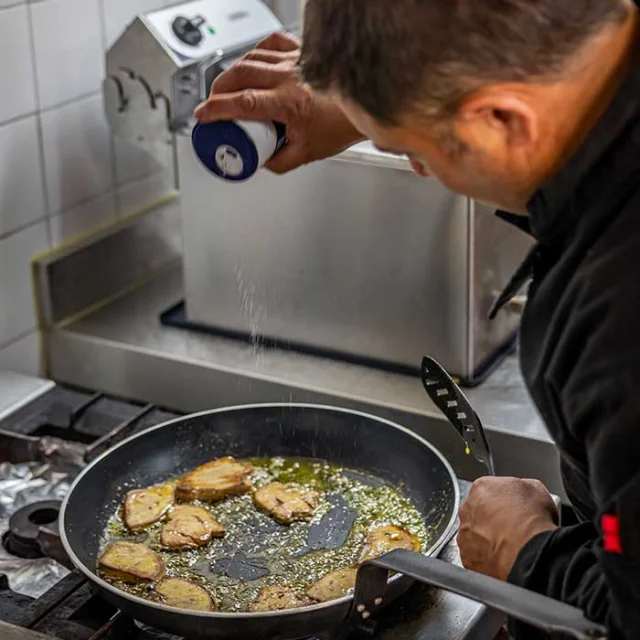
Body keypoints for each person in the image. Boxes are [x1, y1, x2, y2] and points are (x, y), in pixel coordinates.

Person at [194, 0, 640, 637]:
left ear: (503, 119)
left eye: (410, 151)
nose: (415, 168)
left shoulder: (619, 326)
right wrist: (368, 95)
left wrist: (527, 551)